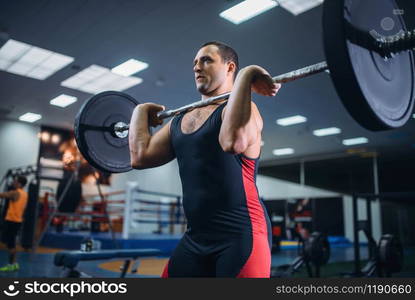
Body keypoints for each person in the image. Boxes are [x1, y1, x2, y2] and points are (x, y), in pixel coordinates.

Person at [129, 41, 281, 277]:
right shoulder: (179, 121)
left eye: (206, 60)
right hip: (195, 237)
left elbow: (232, 142)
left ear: (230, 68)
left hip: (241, 235)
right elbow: (140, 157)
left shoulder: (248, 110)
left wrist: (248, 74)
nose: (197, 67)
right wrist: (139, 112)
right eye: (195, 62)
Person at [0, 175, 28, 272]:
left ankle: (11, 265)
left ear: (19, 183)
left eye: (15, 181)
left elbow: (3, 195)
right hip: (17, 221)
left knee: (10, 245)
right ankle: (14, 264)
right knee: (11, 244)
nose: (13, 182)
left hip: (11, 222)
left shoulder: (15, 193)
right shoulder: (25, 194)